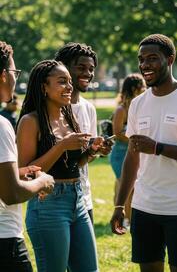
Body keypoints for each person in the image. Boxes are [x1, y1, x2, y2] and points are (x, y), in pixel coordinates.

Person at [110, 34, 177, 272]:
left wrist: (157, 148)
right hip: (144, 206)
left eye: (152, 58)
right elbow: (132, 157)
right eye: (141, 59)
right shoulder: (137, 104)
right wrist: (119, 206)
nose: (145, 65)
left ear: (170, 59)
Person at [16, 59, 102, 272]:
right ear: (44, 87)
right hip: (48, 206)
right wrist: (61, 146)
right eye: (62, 81)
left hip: (77, 200)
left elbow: (75, 164)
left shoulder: (69, 117)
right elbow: (24, 172)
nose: (69, 87)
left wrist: (91, 151)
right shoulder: (30, 121)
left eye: (70, 82)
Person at [0, 41, 55, 272]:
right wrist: (43, 181)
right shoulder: (1, 125)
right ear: (3, 75)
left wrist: (18, 173)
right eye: (14, 72)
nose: (15, 78)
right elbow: (12, 194)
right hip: (5, 242)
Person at [55, 42, 112, 224]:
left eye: (91, 68)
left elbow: (86, 157)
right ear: (63, 68)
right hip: (54, 198)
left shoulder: (89, 108)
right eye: (81, 67)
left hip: (84, 197)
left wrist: (96, 149)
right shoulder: (51, 108)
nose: (87, 73)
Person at [110, 73, 146, 224]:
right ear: (133, 88)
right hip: (120, 154)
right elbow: (117, 133)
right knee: (129, 188)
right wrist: (134, 139)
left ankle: (127, 217)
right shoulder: (121, 110)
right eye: (142, 86)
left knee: (127, 186)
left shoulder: (141, 106)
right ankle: (128, 220)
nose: (145, 89)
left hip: (135, 154)